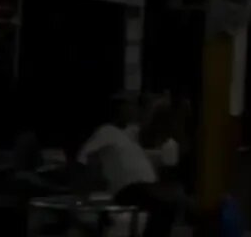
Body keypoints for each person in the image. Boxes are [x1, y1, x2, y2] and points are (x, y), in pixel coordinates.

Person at [76, 96, 182, 237]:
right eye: (129, 106)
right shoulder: (106, 131)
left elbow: (149, 125)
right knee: (164, 203)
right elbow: (84, 157)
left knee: (172, 202)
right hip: (127, 188)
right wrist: (90, 182)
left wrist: (160, 107)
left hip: (146, 186)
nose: (133, 110)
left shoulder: (131, 133)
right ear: (118, 109)